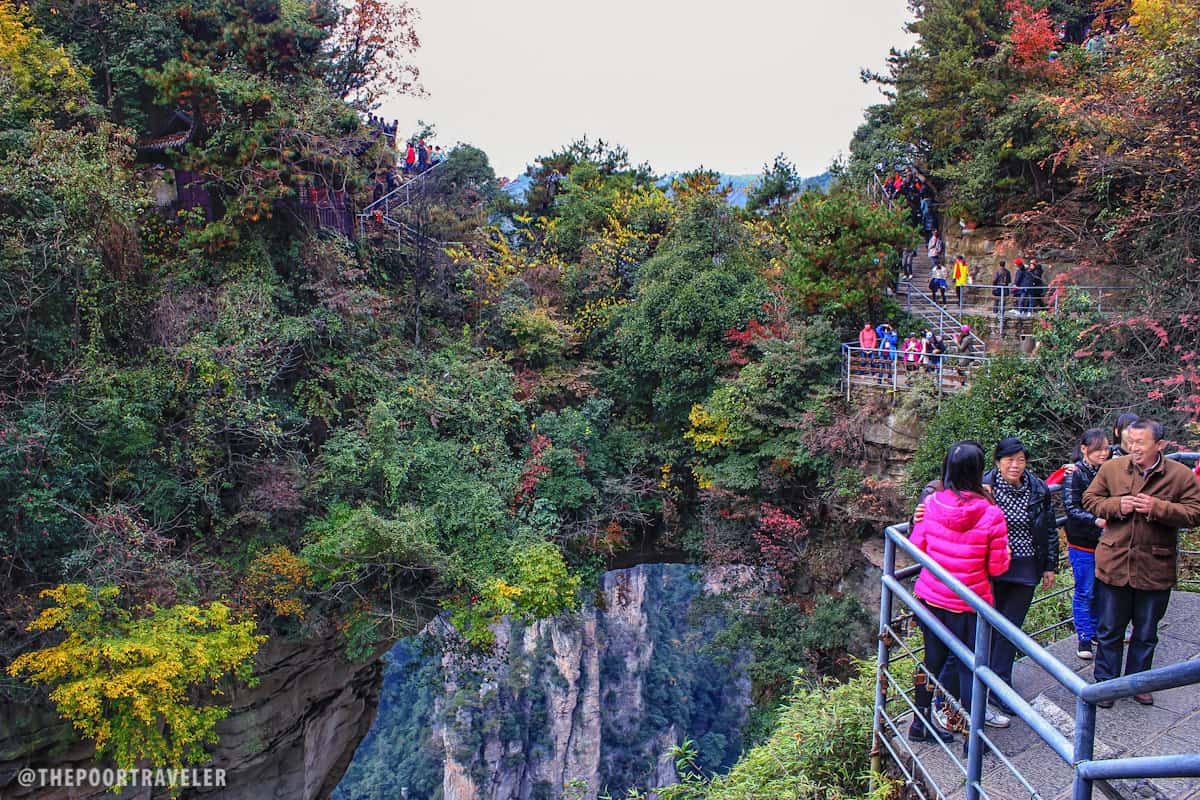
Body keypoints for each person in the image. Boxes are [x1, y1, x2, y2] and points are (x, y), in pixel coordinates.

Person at [1082, 419, 1200, 706]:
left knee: (1146, 632)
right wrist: (1116, 506)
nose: (1133, 448)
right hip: (1115, 562)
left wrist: (1158, 508)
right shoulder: (1112, 468)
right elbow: (1090, 499)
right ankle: (1106, 685)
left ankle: (1139, 682)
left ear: (1160, 445)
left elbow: (1195, 513)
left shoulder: (1180, 475)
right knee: (1110, 629)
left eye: (1140, 443)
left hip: (1155, 565)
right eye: (1129, 442)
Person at [908, 442, 1011, 744]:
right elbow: (997, 567)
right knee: (970, 668)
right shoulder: (991, 513)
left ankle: (919, 723)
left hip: (931, 598)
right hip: (968, 603)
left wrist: (918, 522)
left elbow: (917, 548)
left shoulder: (932, 504)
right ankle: (971, 739)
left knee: (932, 661)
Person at [982, 437, 1057, 717]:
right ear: (998, 461)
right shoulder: (984, 488)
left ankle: (1001, 685)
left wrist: (1050, 565)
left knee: (1011, 628)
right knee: (989, 624)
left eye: (1020, 460)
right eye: (1009, 460)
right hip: (994, 568)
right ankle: (982, 678)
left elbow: (1049, 528)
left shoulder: (1037, 488)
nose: (1015, 465)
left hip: (1026, 567)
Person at [1062, 429, 1111, 660]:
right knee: (1085, 589)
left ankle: (1095, 632)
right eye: (1098, 448)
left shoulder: (1109, 470)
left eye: (1106, 448)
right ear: (1084, 449)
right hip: (1082, 541)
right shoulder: (1076, 474)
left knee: (1101, 589)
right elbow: (1071, 508)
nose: (1104, 452)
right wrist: (1095, 520)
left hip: (1105, 541)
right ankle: (1084, 635)